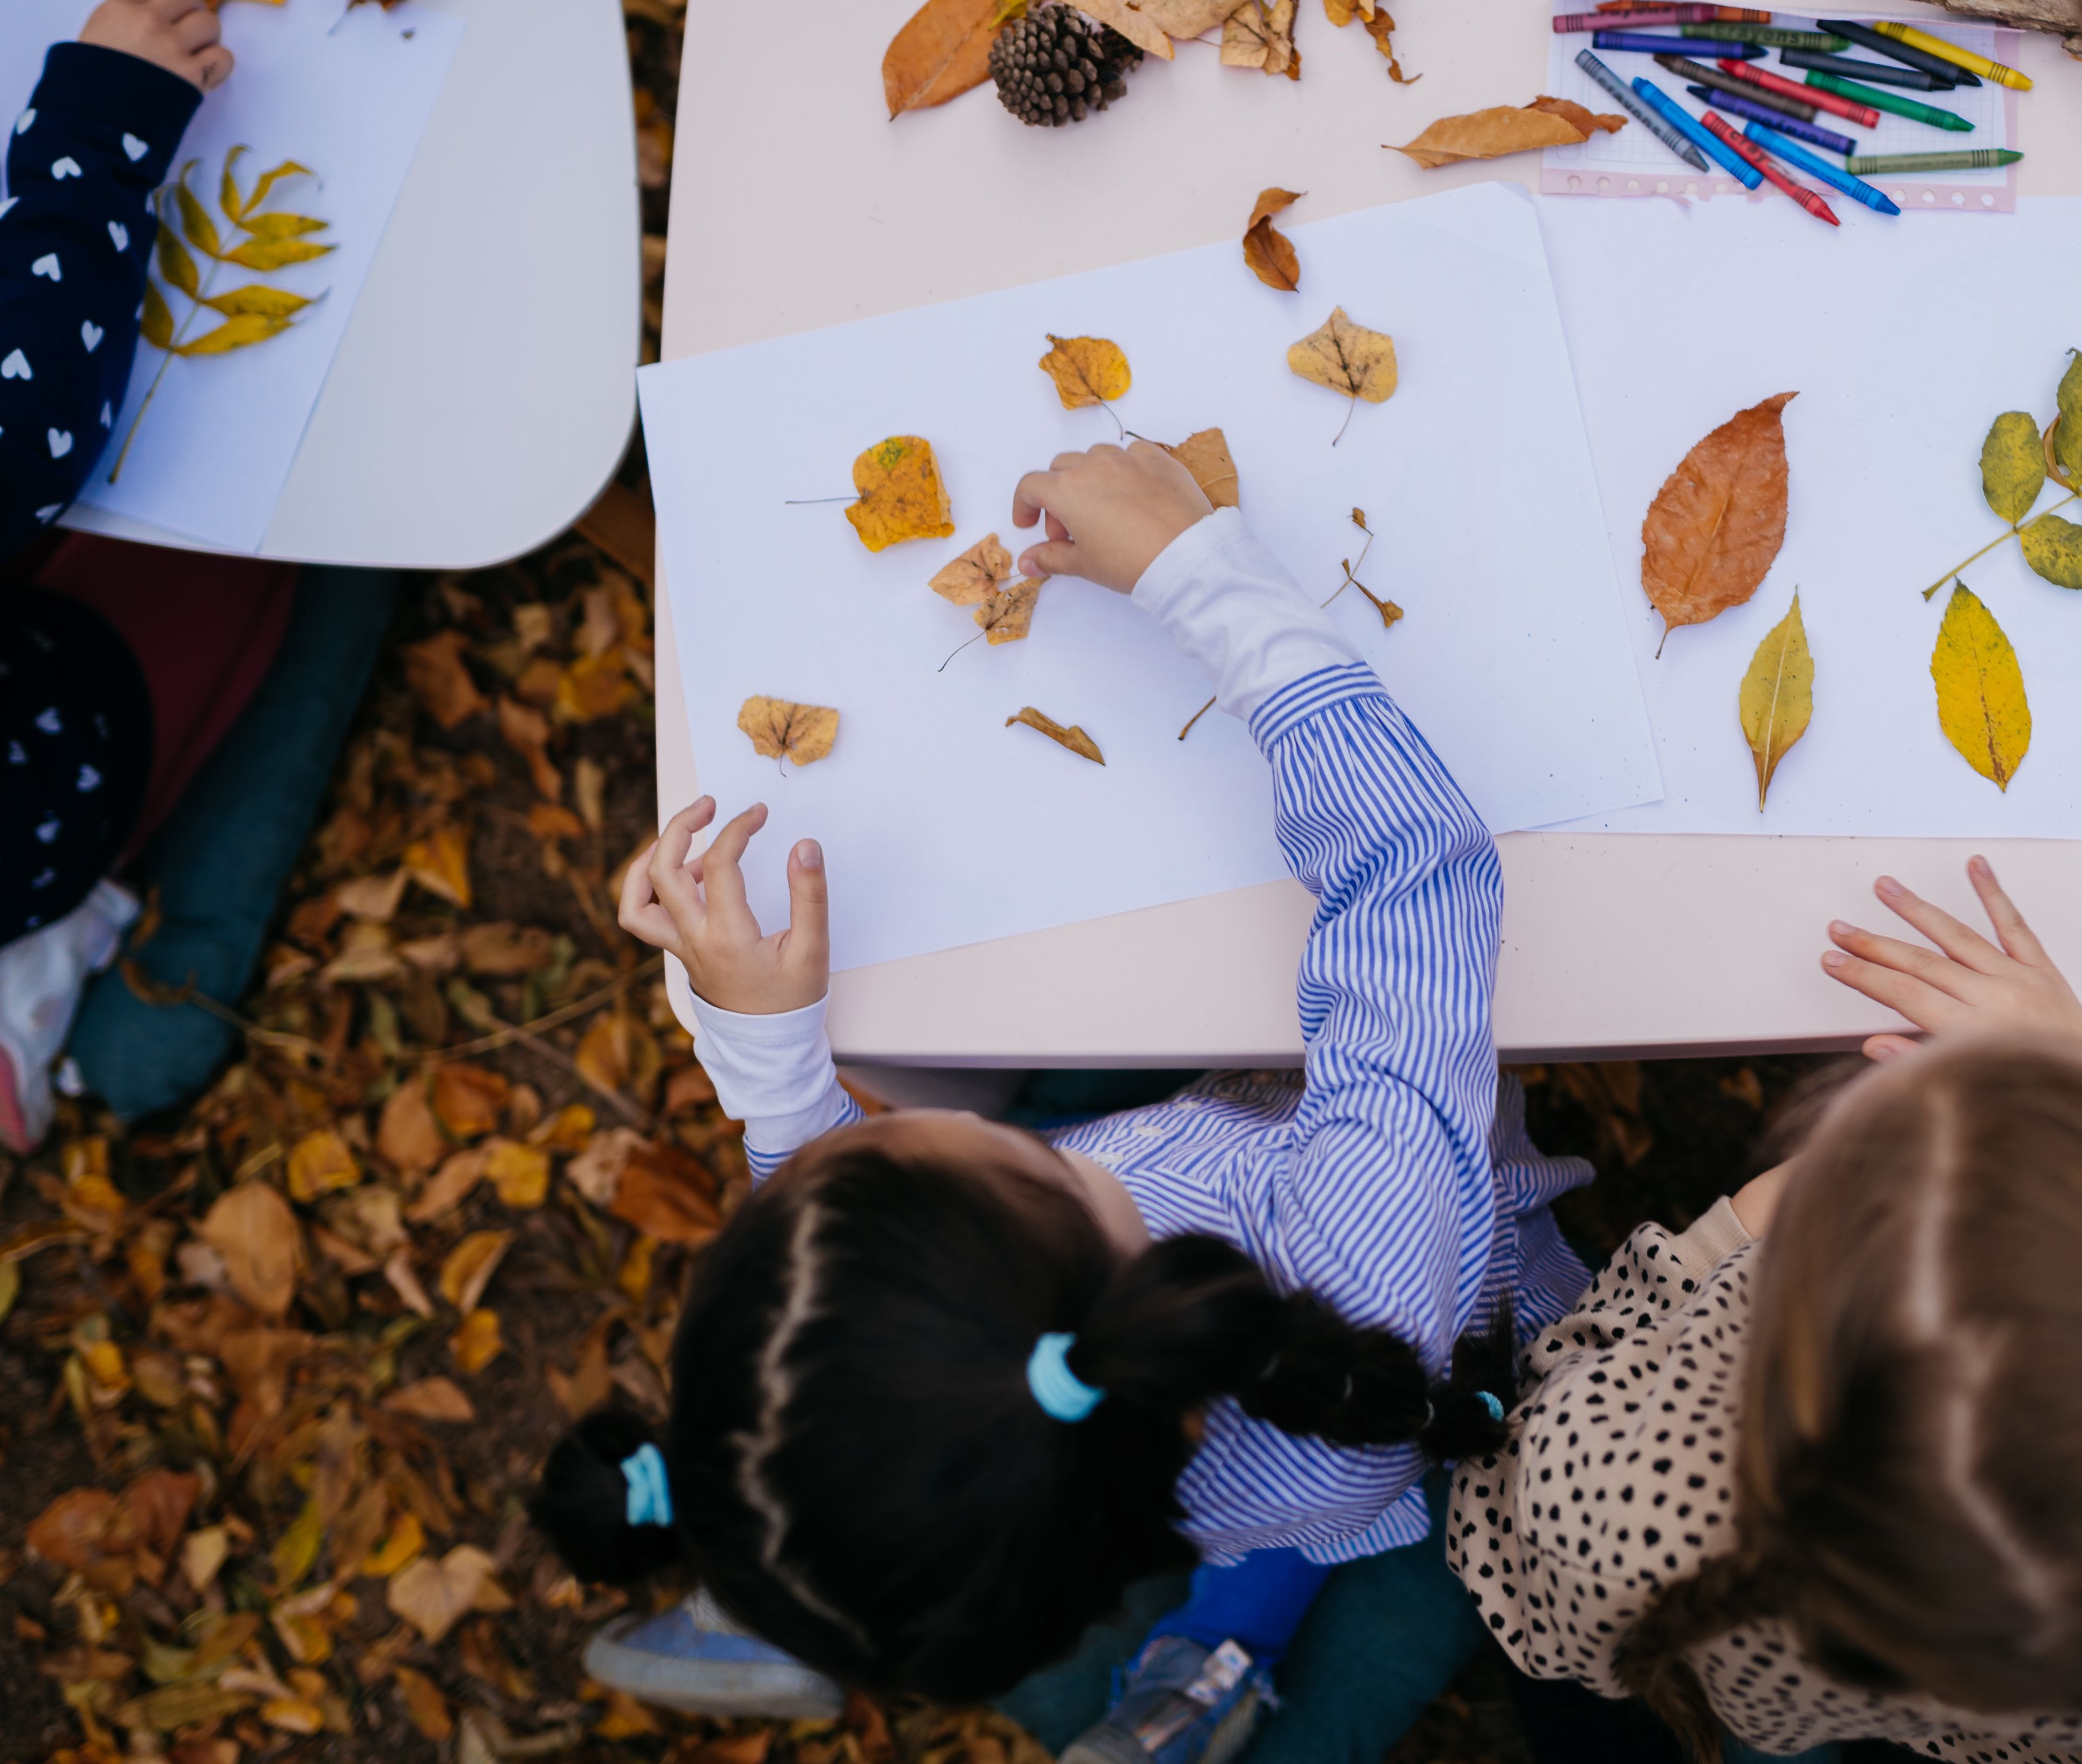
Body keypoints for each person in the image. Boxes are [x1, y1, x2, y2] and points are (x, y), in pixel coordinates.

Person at [535, 440, 1593, 1760]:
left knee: (1305, 1501)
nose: (891, 1124)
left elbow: (846, 1237)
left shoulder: (1075, 1448)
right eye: (941, 1149)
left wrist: (767, 1049)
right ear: (1035, 1199)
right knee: (1340, 1479)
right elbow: (1413, 882)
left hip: (1289, 1446)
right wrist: (1198, 574)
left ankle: (1198, 1665)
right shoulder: (1362, 1251)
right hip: (1455, 1251)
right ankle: (1221, 1657)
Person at [1445, 859, 2082, 1764]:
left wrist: (1723, 1241)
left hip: (1782, 1679)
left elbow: (1501, 1526)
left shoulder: (1643, 1516)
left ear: (1785, 1326)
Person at [0, 0, 395, 1150]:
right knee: (280, 519)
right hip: (6, 804)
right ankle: (38, 953)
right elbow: (21, 435)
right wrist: (96, 133)